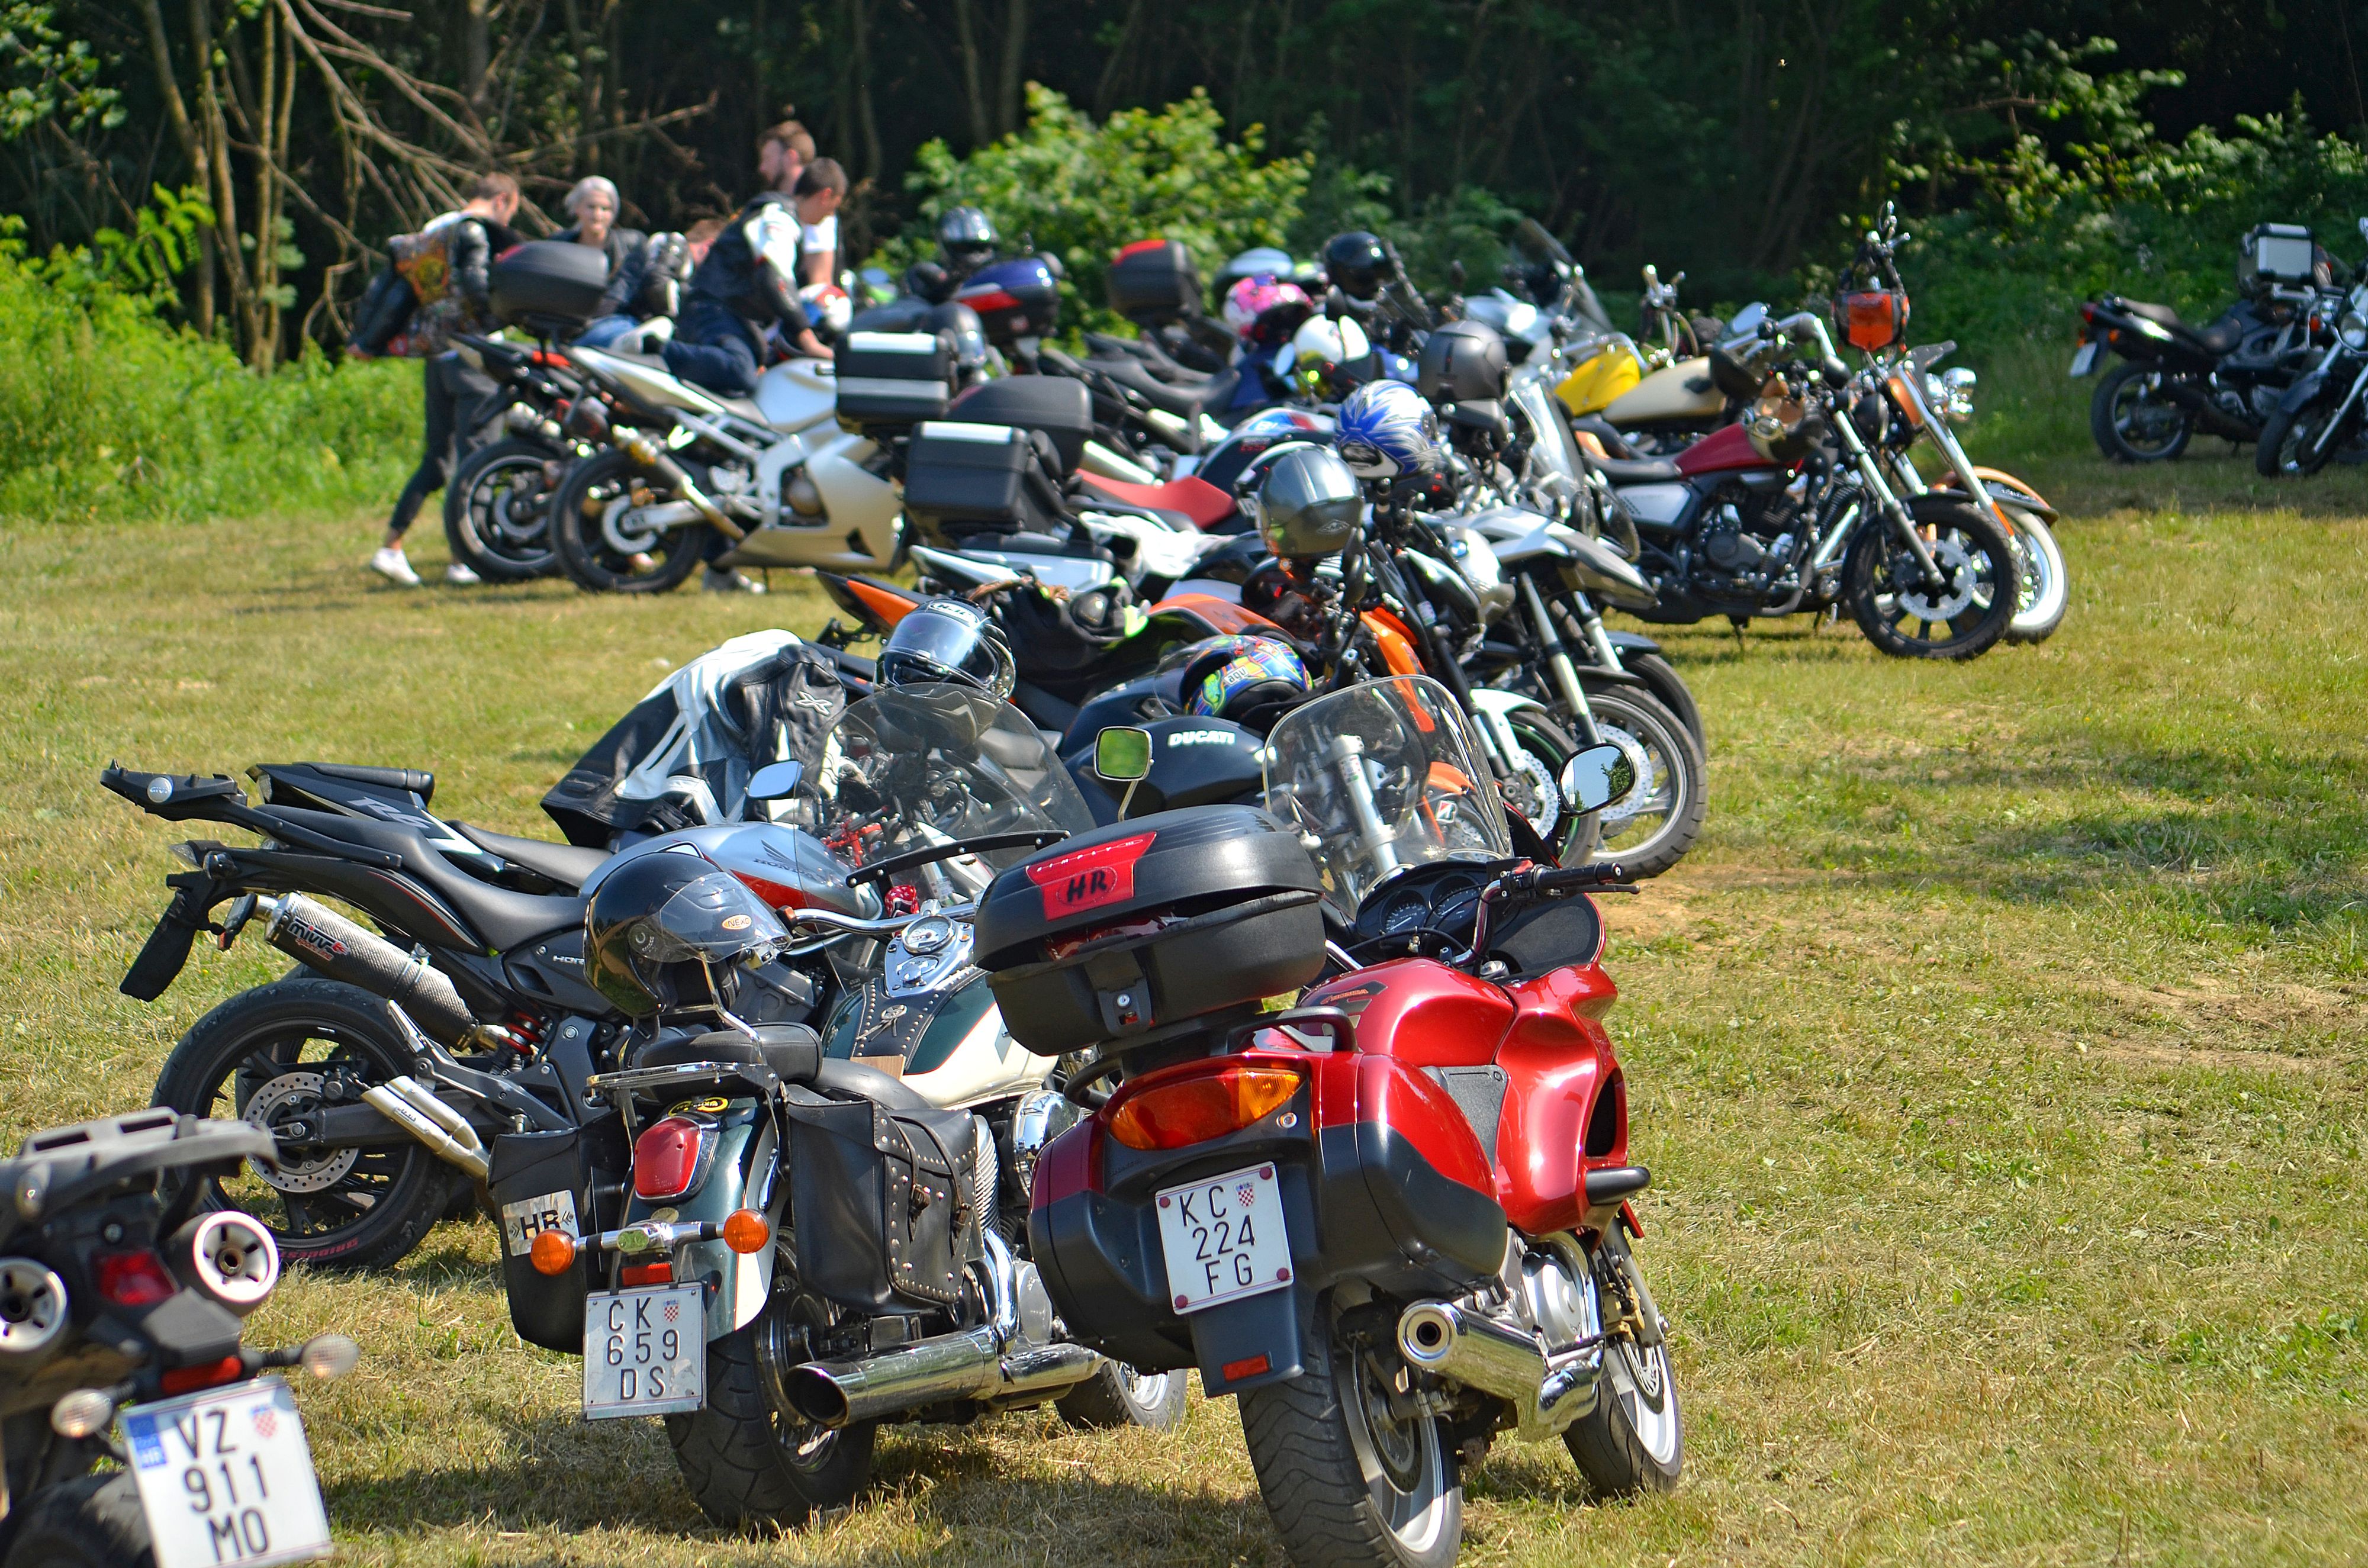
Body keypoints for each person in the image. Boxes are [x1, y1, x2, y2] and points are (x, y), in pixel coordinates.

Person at [661, 156, 848, 591]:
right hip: (714, 314)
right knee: (742, 375)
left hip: (735, 321)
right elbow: (773, 279)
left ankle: (719, 567)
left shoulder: (781, 219)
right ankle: (657, 353)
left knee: (739, 445)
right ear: (826, 196)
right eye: (833, 208)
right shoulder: (778, 219)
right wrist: (805, 336)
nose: (829, 218)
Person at [372, 171, 520, 588]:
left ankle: (392, 546)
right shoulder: (477, 230)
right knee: (479, 456)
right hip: (474, 356)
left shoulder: (435, 227)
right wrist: (503, 318)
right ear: (505, 200)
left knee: (438, 458)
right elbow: (476, 287)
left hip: (437, 356)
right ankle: (465, 557)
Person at [556, 176, 652, 350]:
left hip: (615, 322)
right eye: (591, 207)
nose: (598, 215)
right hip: (566, 327)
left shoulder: (632, 246)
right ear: (577, 208)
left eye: (605, 209)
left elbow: (620, 296)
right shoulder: (559, 245)